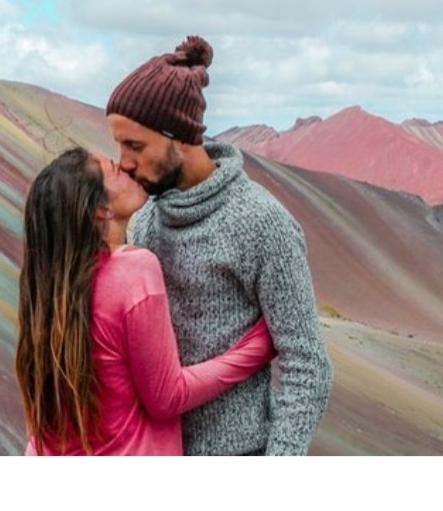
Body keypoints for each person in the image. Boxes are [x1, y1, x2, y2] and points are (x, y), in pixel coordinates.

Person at [107, 35, 332, 455]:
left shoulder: (263, 223)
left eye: (134, 145)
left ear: (178, 136)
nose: (124, 162)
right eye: (119, 146)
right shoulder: (147, 221)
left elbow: (307, 366)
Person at [17, 147, 275, 455]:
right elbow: (167, 397)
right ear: (102, 209)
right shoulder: (133, 269)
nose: (126, 166)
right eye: (115, 169)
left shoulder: (49, 293)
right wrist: (260, 345)